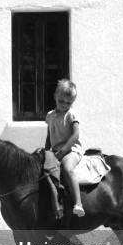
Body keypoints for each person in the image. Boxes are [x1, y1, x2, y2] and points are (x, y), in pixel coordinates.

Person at [44, 79, 85, 217]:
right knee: (45, 171)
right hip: (55, 151)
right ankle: (57, 205)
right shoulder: (50, 115)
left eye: (68, 103)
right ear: (55, 96)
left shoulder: (71, 114)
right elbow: (49, 135)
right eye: (61, 101)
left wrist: (62, 152)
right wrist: (46, 152)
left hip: (71, 150)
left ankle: (78, 203)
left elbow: (75, 135)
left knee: (67, 168)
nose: (64, 105)